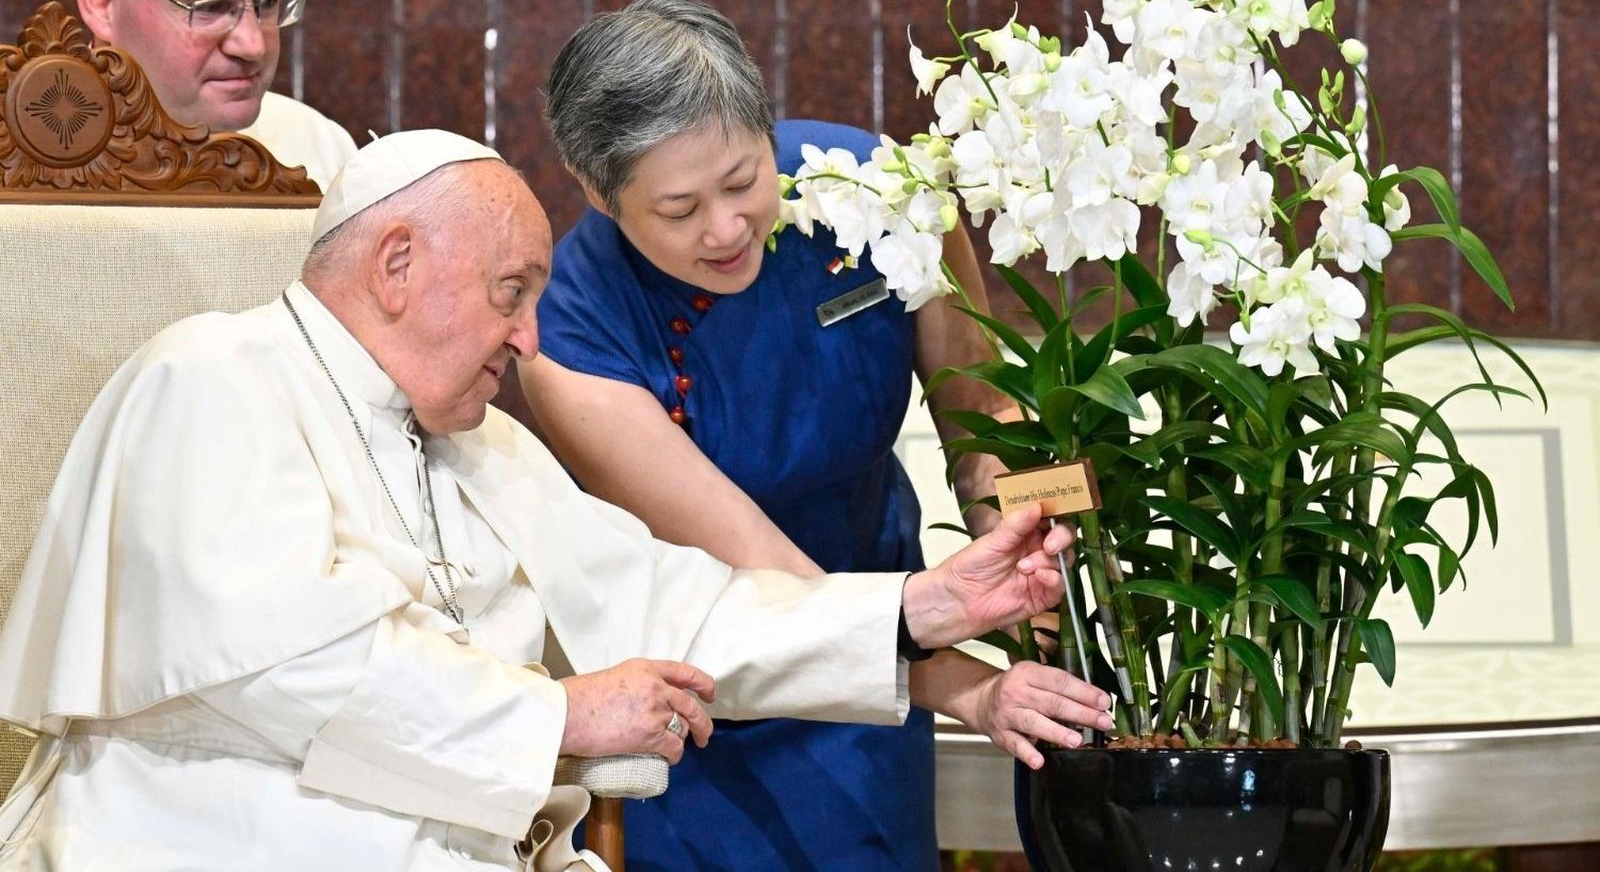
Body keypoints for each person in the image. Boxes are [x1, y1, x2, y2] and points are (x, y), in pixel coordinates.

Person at [0, 130, 1112, 872]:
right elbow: (283, 666)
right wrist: (561, 718)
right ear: (396, 264)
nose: (527, 337)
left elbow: (678, 602)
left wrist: (917, 611)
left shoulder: (480, 446)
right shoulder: (213, 375)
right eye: (507, 293)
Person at [528, 0, 1080, 872]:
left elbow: (983, 417)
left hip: (890, 640)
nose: (726, 227)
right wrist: (966, 686)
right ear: (600, 195)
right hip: (713, 685)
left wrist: (1039, 561)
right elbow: (759, 573)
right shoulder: (572, 334)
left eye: (744, 179)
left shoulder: (874, 188)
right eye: (677, 210)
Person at [72, 0, 357, 188]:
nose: (253, 45)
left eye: (268, 3)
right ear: (103, 1)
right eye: (211, 8)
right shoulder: (34, 164)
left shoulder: (320, 148)